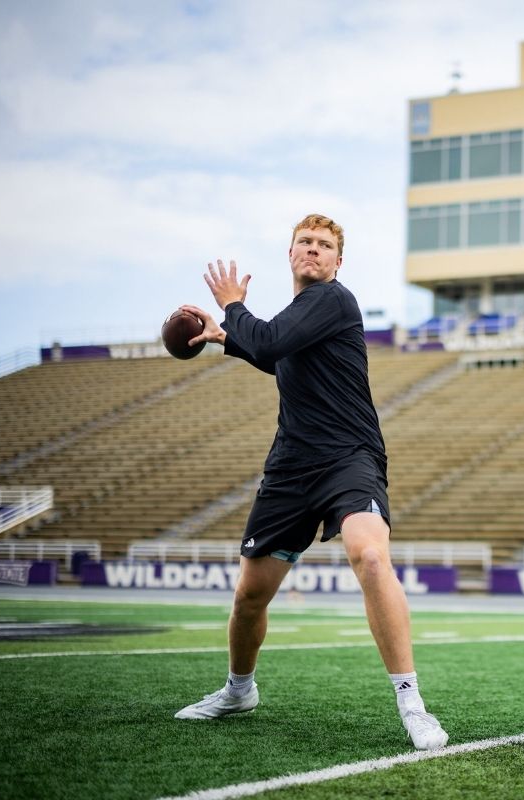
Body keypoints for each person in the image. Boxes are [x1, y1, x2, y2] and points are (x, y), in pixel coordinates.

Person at [172, 213, 447, 750]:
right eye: (306, 242)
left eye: (325, 245)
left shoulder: (333, 300)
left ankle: (412, 703)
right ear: (291, 253)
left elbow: (272, 343)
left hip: (349, 457)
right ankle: (238, 690)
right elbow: (279, 358)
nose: (314, 250)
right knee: (250, 595)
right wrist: (224, 338)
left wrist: (232, 304)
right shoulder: (298, 315)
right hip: (291, 466)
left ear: (338, 262)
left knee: (369, 556)